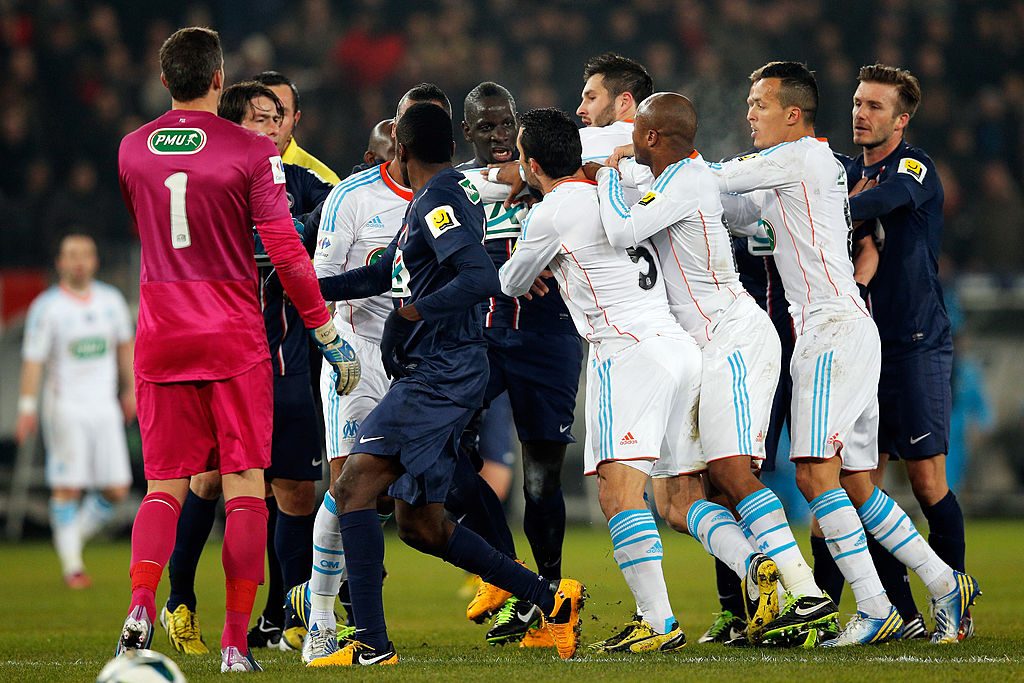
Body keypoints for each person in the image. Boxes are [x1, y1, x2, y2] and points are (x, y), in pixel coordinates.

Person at [710, 60, 978, 646]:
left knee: (815, 475)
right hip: (848, 328)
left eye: (759, 103)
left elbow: (717, 178)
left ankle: (877, 607)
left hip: (832, 331)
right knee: (856, 482)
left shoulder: (801, 158)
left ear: (793, 114)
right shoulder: (806, 173)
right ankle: (944, 583)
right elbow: (729, 209)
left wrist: (643, 166)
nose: (749, 113)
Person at [307, 103, 585, 667]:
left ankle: (371, 644)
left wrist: (413, 314)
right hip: (439, 371)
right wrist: (309, 291)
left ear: (401, 150)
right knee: (421, 524)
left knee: (353, 488)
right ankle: (551, 600)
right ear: (453, 148)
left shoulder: (438, 201)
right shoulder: (436, 198)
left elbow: (479, 275)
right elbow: (385, 272)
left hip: (442, 371)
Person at [115, 27, 358, 672]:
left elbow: (151, 229)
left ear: (164, 81)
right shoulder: (250, 151)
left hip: (161, 330)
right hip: (232, 333)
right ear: (219, 79)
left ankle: (140, 605)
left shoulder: (131, 150)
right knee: (246, 484)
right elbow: (286, 251)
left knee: (165, 485)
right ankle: (233, 643)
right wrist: (324, 331)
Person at [595, 92, 838, 644]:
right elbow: (643, 194)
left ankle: (807, 594)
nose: (628, 143)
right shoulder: (675, 177)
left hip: (733, 337)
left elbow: (622, 230)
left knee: (729, 472)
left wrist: (607, 175)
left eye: (636, 134)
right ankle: (764, 574)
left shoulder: (686, 181)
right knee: (678, 501)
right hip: (700, 349)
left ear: (651, 137)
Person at [500, 107, 704, 653]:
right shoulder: (612, 191)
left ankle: (657, 621)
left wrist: (539, 257)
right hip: (679, 347)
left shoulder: (550, 212)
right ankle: (766, 570)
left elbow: (512, 281)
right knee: (682, 497)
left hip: (626, 353)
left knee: (617, 493)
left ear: (532, 164)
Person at [158, 81, 333, 656]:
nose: (272, 126)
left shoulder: (311, 184)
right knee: (211, 479)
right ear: (233, 125)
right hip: (222, 358)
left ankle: (287, 616)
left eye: (278, 116)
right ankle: (180, 601)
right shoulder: (209, 182)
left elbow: (334, 232)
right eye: (260, 116)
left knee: (296, 491)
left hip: (286, 361)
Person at [297, 84, 442, 664]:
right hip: (357, 355)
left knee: (393, 500)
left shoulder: (447, 194)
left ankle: (339, 607)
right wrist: (335, 349)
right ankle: (325, 622)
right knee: (348, 487)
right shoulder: (351, 198)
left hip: (418, 362)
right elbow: (321, 282)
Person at [842, 64, 973, 641]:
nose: (861, 113)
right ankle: (902, 611)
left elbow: (887, 199)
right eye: (858, 102)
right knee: (861, 481)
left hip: (915, 343)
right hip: (862, 345)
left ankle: (955, 601)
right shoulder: (846, 173)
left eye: (875, 106)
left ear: (901, 120)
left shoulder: (913, 167)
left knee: (926, 481)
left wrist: (838, 205)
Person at [454, 81, 583, 648]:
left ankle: (549, 600)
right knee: (443, 452)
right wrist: (499, 277)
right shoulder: (456, 188)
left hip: (548, 338)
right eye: (486, 127)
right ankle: (508, 574)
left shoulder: (551, 178)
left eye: (507, 124)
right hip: (478, 341)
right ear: (468, 132)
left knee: (540, 478)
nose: (499, 136)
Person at [15, 233, 135, 590]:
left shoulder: (111, 301)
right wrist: (26, 406)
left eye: (85, 254)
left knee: (117, 489)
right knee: (67, 487)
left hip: (104, 406)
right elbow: (33, 360)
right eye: (71, 255)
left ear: (94, 261)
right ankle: (72, 566)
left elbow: (124, 347)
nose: (79, 261)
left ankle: (71, 537)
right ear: (60, 263)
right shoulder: (47, 307)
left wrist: (130, 390)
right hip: (66, 407)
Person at [253, 70, 341, 185]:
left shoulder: (323, 182)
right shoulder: (229, 166)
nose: (271, 127)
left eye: (280, 114)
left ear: (296, 118)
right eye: (261, 114)